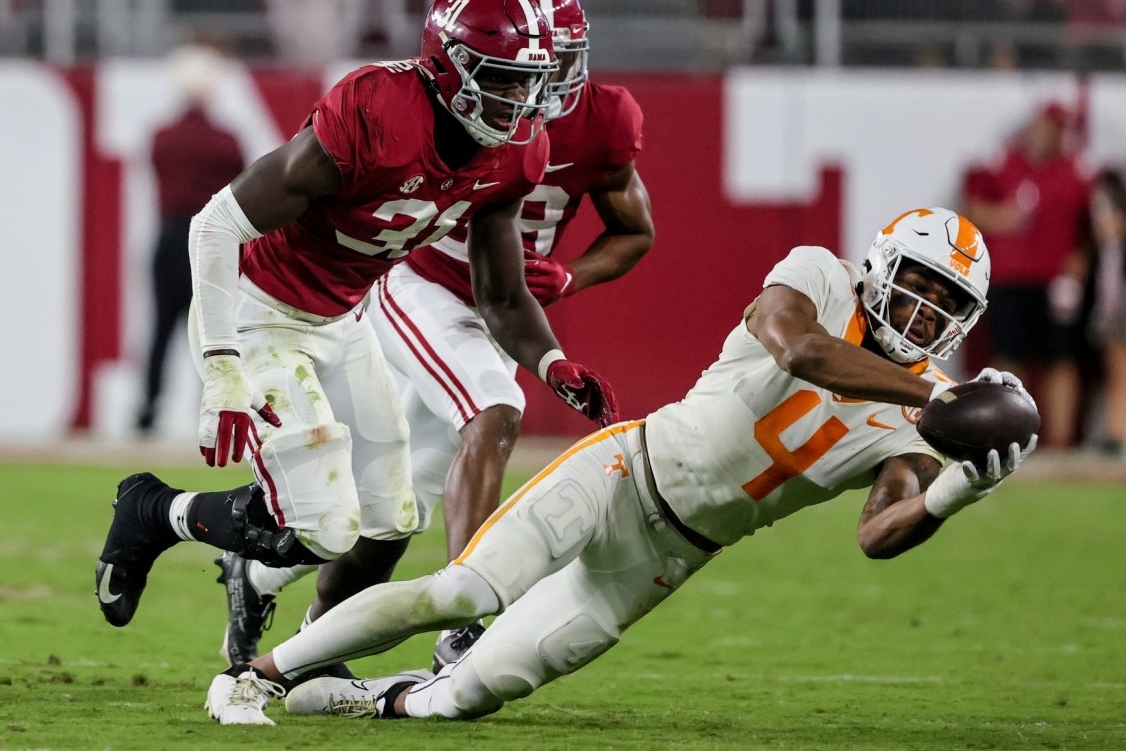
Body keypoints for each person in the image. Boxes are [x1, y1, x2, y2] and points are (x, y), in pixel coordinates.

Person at [200, 207, 1039, 726]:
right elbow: (799, 347)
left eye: (946, 305)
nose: (925, 312)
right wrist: (930, 397)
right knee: (463, 592)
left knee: (473, 694)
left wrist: (957, 491)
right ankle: (254, 677)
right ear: (883, 267)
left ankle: (376, 697)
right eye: (919, 286)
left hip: (672, 556)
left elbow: (879, 532)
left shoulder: (915, 417)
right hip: (625, 471)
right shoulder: (821, 278)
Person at [94, 0, 620, 648]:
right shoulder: (375, 110)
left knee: (391, 521)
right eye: (506, 80)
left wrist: (551, 363)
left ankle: (312, 653)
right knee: (323, 527)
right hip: (261, 308)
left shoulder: (519, 149)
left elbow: (502, 293)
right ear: (452, 66)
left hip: (342, 318)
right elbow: (215, 226)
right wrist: (223, 366)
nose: (524, 100)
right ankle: (154, 510)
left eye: (533, 81)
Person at [213, 0, 654, 672]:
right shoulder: (428, 108)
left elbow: (628, 235)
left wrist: (569, 279)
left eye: (556, 62)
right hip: (422, 284)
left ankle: (292, 618)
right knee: (495, 408)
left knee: (402, 504)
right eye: (523, 67)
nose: (539, 83)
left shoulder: (591, 125)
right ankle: (470, 616)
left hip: (498, 304)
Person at [964, 100, 1091, 448]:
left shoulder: (1075, 170)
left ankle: (1061, 444)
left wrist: (1082, 256)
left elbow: (1090, 224)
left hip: (1057, 281)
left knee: (1061, 359)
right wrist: (1001, 219)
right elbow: (973, 206)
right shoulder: (1002, 162)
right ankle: (1007, 435)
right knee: (1008, 358)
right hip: (1010, 276)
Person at [136, 44, 246, 434]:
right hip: (210, 243)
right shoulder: (226, 142)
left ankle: (147, 410)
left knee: (161, 329)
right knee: (212, 330)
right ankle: (212, 412)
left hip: (169, 238)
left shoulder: (162, 138)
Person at [1086, 168, 1126, 455]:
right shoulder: (1107, 250)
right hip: (1111, 302)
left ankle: (1116, 430)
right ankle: (1114, 430)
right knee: (1114, 367)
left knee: (1119, 367)